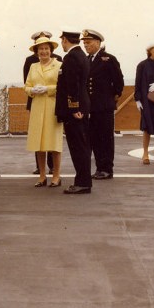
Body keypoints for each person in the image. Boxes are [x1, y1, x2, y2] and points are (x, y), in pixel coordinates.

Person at [81, 29, 124, 180]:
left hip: (104, 106)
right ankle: (99, 168)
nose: (86, 45)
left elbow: (119, 82)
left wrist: (113, 98)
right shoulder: (85, 60)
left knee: (105, 138)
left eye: (89, 42)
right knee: (94, 138)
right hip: (90, 107)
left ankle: (107, 169)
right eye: (84, 43)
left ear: (98, 42)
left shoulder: (108, 59)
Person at [55, 30, 92, 194]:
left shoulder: (71, 57)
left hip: (74, 111)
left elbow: (73, 84)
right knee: (81, 146)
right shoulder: (81, 55)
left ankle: (83, 182)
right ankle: (83, 180)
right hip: (80, 107)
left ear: (64, 40)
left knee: (78, 147)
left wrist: (74, 108)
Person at [23, 37, 63, 187]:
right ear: (36, 51)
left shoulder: (58, 64)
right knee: (39, 143)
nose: (44, 51)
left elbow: (63, 86)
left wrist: (49, 89)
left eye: (46, 48)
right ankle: (42, 175)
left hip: (52, 106)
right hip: (37, 106)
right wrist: (31, 90)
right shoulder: (33, 66)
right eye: (41, 49)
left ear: (51, 50)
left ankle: (56, 175)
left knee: (53, 143)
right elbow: (26, 86)